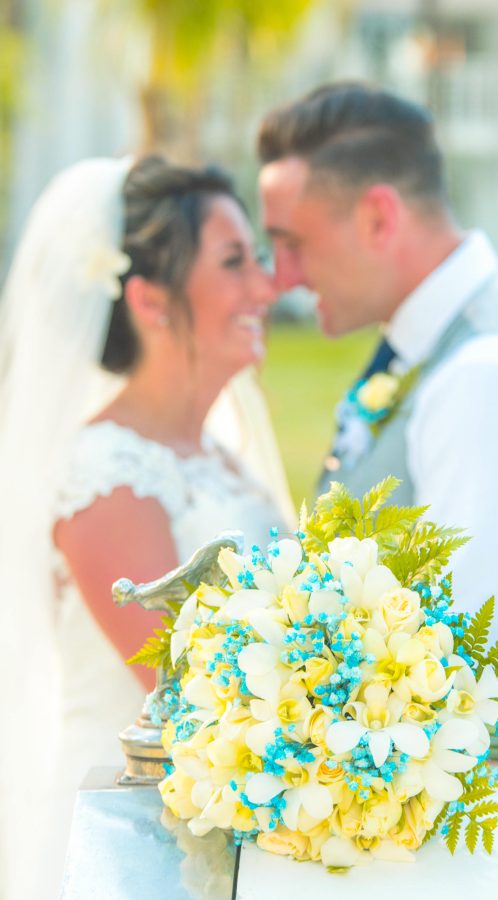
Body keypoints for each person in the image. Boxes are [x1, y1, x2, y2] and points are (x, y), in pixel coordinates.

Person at [256, 81, 498, 760]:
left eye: (293, 242)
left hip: (477, 828)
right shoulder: (439, 348)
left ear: (380, 217)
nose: (282, 276)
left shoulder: (489, 379)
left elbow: (455, 658)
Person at [0, 155, 292, 900]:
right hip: (137, 844)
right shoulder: (105, 477)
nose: (267, 285)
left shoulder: (222, 456)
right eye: (235, 262)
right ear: (151, 302)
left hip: (239, 818)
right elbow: (188, 697)